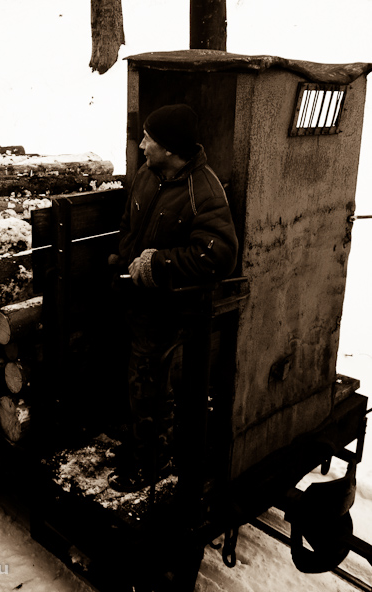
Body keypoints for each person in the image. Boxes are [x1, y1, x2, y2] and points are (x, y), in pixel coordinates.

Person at [108, 103, 239, 492]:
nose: (142, 144)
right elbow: (129, 222)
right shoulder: (148, 174)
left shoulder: (205, 191)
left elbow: (219, 254)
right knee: (134, 383)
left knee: (150, 388)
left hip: (168, 310)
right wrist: (123, 257)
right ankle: (138, 445)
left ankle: (149, 463)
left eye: (149, 138)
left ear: (170, 147)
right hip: (133, 299)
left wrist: (159, 265)